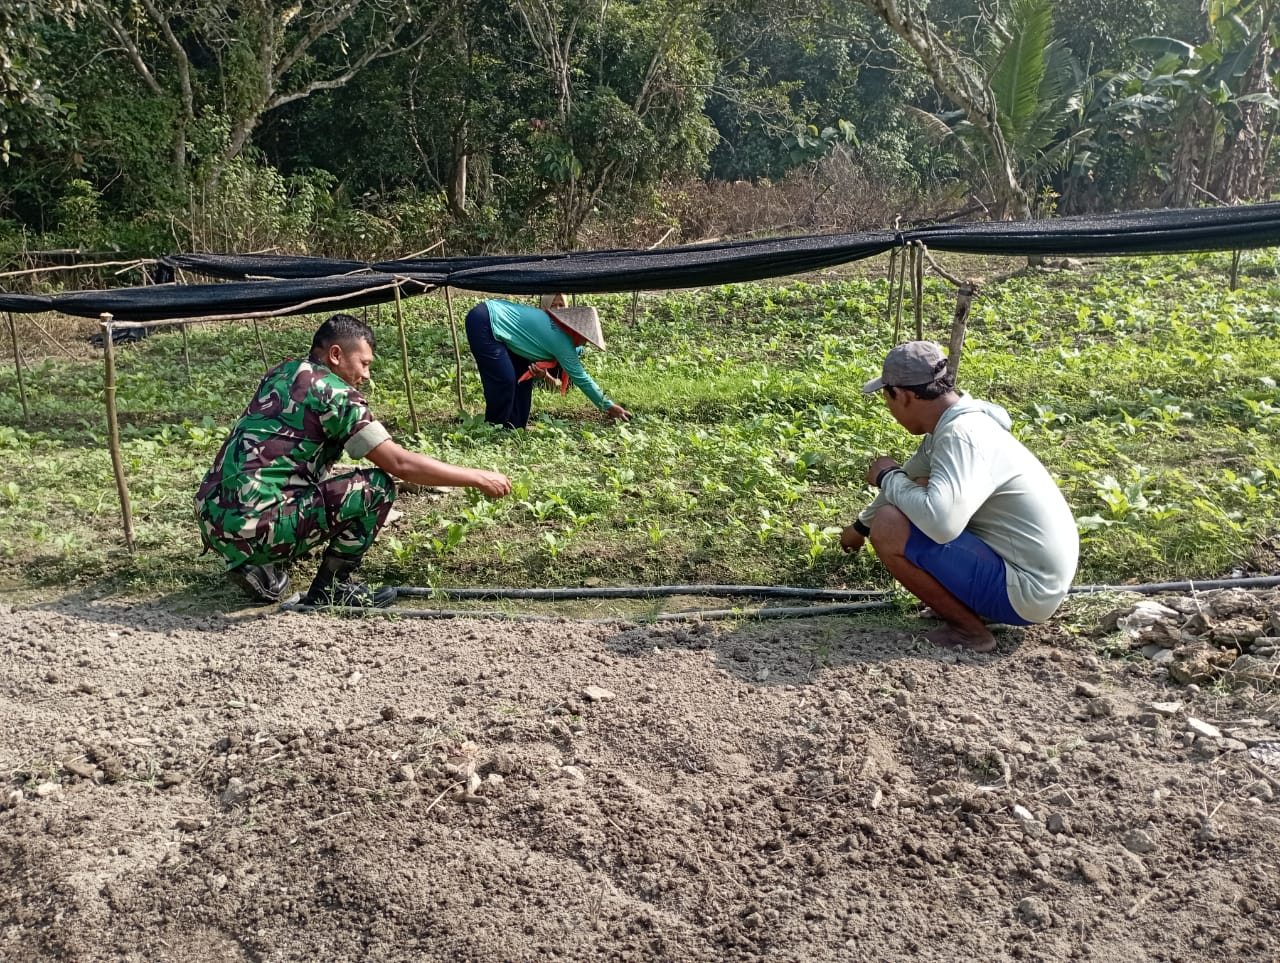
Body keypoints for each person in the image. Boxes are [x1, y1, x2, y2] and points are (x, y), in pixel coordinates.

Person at [195, 313, 512, 607]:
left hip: (212, 515)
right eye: (364, 363)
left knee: (296, 480)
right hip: (258, 523)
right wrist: (478, 476)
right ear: (335, 355)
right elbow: (399, 464)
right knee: (375, 487)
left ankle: (258, 564)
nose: (366, 375)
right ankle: (333, 588)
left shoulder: (282, 371)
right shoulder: (336, 395)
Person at [839, 341, 1078, 653]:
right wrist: (859, 528)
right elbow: (909, 479)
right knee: (914, 493)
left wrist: (886, 476)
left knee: (890, 526)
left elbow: (941, 525)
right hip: (1032, 579)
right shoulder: (958, 422)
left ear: (904, 395)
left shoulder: (960, 436)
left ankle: (969, 632)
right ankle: (970, 607)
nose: (890, 408)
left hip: (1026, 591)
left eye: (887, 398)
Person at [464, 293, 631, 428]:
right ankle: (494, 427)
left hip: (498, 319)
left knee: (522, 377)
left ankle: (515, 426)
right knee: (505, 380)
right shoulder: (561, 339)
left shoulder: (566, 337)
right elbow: (582, 378)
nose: (585, 343)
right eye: (585, 338)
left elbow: (565, 363)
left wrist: (544, 374)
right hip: (484, 320)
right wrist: (608, 406)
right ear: (577, 332)